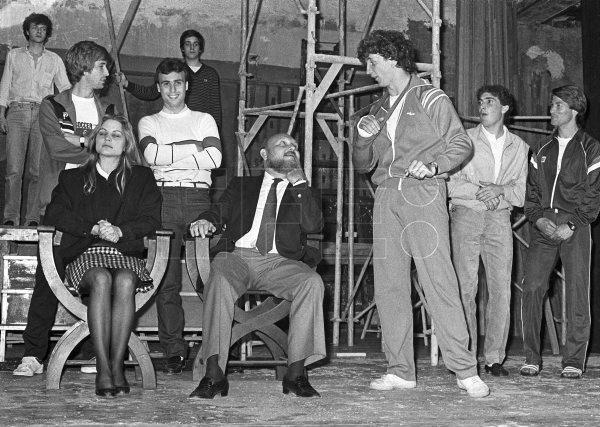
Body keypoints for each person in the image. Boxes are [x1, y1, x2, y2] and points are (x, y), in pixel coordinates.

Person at [352, 30, 488, 398]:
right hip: (385, 196)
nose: (369, 70)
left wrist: (434, 165)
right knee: (389, 286)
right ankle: (400, 370)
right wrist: (362, 139)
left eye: (373, 62)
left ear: (393, 59)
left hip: (422, 194)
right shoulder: (378, 108)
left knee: (439, 280)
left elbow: (461, 143)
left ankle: (465, 370)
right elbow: (363, 165)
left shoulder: (430, 96)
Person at [188, 133, 325, 399]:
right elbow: (218, 211)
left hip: (281, 262)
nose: (291, 149)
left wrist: (299, 183)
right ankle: (213, 375)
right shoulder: (242, 185)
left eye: (294, 147)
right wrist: (205, 220)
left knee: (312, 282)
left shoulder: (302, 190)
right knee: (219, 280)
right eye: (283, 144)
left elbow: (314, 226)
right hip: (237, 256)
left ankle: (296, 374)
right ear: (264, 154)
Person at [13, 40, 114, 377]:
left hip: (96, 205)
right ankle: (33, 355)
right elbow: (57, 148)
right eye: (101, 66)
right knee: (48, 278)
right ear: (84, 67)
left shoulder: (106, 109)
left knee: (98, 276)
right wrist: (92, 144)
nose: (107, 73)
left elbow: (114, 151)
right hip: (57, 204)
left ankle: (90, 353)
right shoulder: (52, 105)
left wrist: (84, 142)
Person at [44, 114, 161, 397]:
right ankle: (104, 370)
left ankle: (117, 364)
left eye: (116, 135)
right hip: (85, 253)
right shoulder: (72, 177)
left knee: (123, 280)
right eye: (103, 134)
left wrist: (121, 231)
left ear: (127, 145)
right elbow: (55, 213)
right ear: (95, 141)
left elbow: (151, 219)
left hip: (123, 253)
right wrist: (93, 228)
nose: (108, 139)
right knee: (100, 279)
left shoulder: (142, 177)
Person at [138, 57, 221, 374]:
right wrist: (193, 150)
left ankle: (212, 347)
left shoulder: (204, 119)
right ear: (158, 87)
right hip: (164, 199)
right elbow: (150, 156)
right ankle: (173, 350)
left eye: (177, 82)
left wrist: (169, 152)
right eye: (165, 83)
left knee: (210, 278)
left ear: (186, 85)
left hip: (201, 199)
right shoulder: (149, 122)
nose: (172, 89)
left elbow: (214, 158)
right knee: (166, 280)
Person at [448, 85, 529, 376]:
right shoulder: (464, 141)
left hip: (499, 220)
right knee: (465, 289)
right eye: (480, 101)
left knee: (500, 290)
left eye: (490, 102)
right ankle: (465, 360)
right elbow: (450, 184)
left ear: (505, 108)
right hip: (466, 216)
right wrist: (482, 191)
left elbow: (520, 194)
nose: (482, 107)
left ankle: (494, 358)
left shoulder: (520, 147)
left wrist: (499, 191)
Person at [520, 85, 600, 379]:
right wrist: (538, 219)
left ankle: (574, 360)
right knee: (531, 288)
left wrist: (573, 223)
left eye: (557, 105)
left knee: (578, 291)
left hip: (575, 227)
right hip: (544, 224)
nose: (551, 110)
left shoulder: (590, 148)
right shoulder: (542, 148)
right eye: (552, 105)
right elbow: (531, 193)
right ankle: (531, 357)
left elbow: (594, 195)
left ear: (574, 110)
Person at [0, 13, 71, 226]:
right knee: (13, 169)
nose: (39, 31)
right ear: (27, 31)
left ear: (47, 33)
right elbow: (5, 85)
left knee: (37, 171)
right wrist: (1, 113)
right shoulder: (14, 55)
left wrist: (62, 117)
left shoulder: (55, 60)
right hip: (17, 112)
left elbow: (66, 89)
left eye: (43, 28)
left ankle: (32, 218)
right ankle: (10, 218)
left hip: (43, 114)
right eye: (34, 27)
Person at [118, 29, 221, 128]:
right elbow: (150, 92)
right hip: (178, 125)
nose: (192, 47)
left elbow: (215, 108)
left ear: (201, 48)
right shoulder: (174, 72)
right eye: (187, 44)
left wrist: (215, 132)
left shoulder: (211, 74)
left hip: (202, 126)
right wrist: (127, 84)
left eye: (196, 44)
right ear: (182, 48)